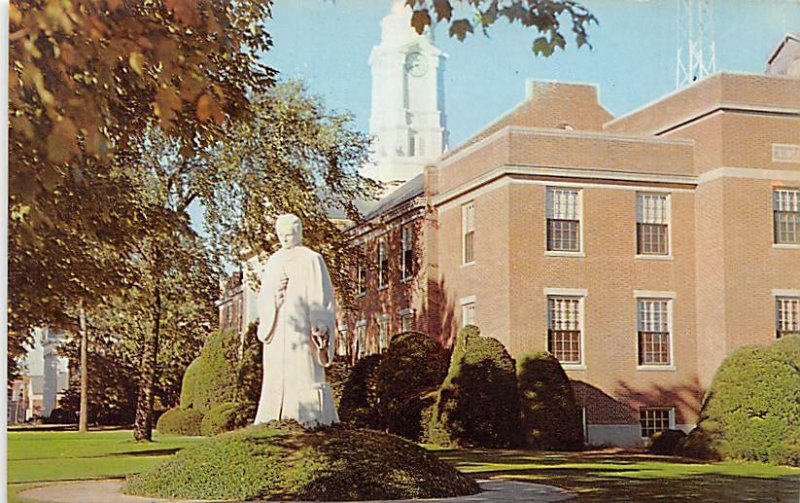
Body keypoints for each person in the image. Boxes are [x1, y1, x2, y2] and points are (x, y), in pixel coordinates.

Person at [254, 214, 339, 426]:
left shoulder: (311, 259)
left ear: (298, 233)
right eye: (281, 235)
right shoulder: (273, 261)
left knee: (304, 370)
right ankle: (274, 418)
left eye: (289, 234)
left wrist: (320, 323)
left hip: (302, 329)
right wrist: (275, 294)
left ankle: (308, 418)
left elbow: (321, 295)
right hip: (278, 326)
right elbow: (263, 297)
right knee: (276, 374)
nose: (285, 239)